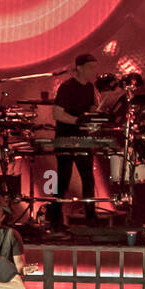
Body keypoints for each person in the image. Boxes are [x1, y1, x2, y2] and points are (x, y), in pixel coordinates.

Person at [48, 53, 118, 227]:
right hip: (65, 137)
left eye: (95, 68)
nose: (93, 71)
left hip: (82, 138)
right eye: (90, 68)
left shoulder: (89, 88)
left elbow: (90, 107)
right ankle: (55, 218)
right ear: (79, 68)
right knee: (63, 178)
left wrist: (96, 112)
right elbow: (57, 113)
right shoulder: (66, 87)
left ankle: (90, 217)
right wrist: (78, 121)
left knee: (88, 178)